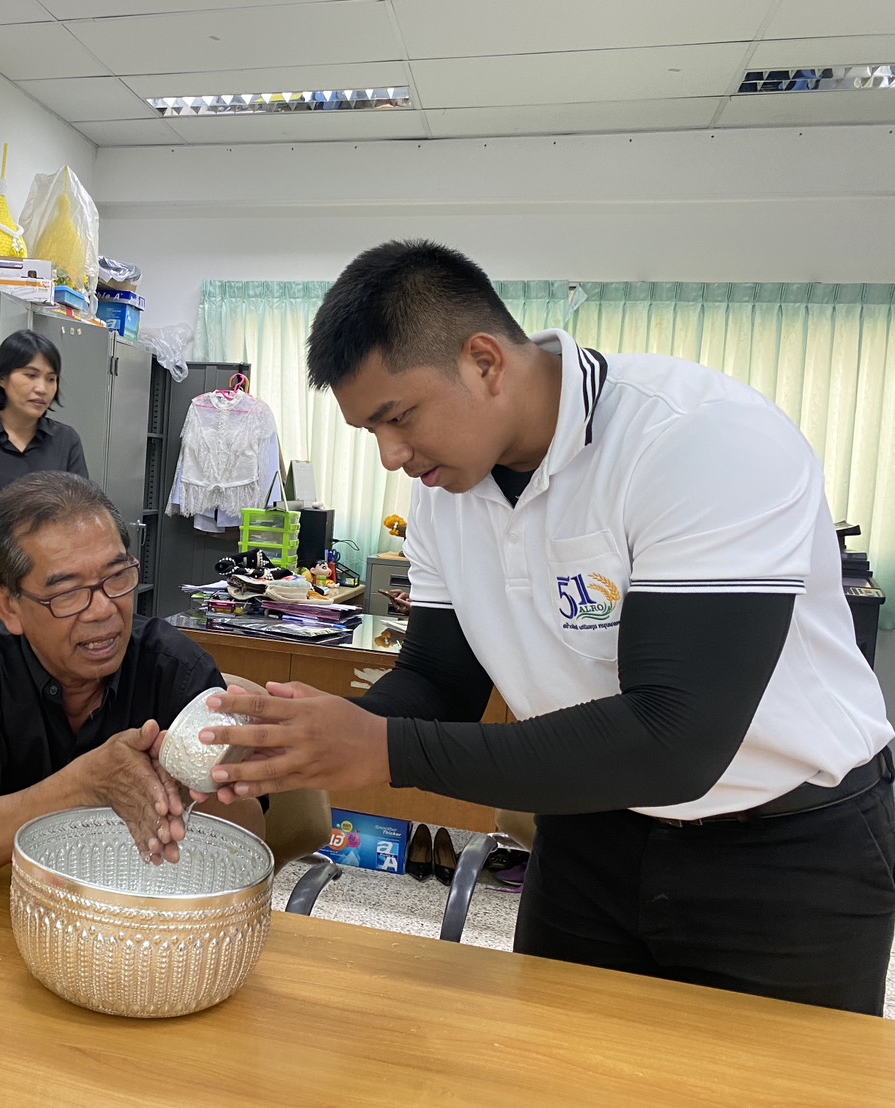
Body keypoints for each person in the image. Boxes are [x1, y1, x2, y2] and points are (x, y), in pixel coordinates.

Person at [194, 239, 895, 1015]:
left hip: (786, 851)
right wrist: (299, 738)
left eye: (398, 418)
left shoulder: (697, 438)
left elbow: (677, 741)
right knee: (553, 1070)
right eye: (370, 432)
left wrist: (379, 749)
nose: (392, 455)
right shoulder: (443, 495)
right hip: (590, 834)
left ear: (484, 362)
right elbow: (438, 682)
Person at [0, 470, 263, 889]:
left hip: (139, 912)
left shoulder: (173, 666)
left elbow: (251, 844)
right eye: (67, 593)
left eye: (117, 578)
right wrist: (86, 783)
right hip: (8, 908)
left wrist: (205, 780)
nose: (102, 610)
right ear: (9, 606)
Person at [0, 329, 87, 642]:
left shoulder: (66, 441)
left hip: (56, 598)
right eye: (30, 375)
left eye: (51, 378)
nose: (42, 388)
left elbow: (78, 526)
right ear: (2, 378)